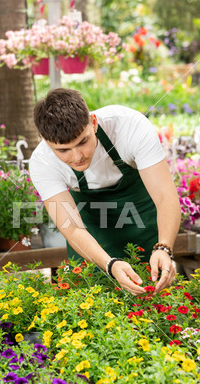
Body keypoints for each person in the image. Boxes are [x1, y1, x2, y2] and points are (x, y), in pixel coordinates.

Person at [29, 88, 181, 296]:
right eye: (63, 150)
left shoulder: (130, 127)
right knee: (92, 305)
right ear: (45, 140)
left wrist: (163, 248)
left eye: (83, 141)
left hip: (143, 222)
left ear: (93, 122)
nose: (77, 157)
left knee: (157, 302)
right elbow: (72, 227)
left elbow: (165, 196)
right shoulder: (42, 162)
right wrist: (109, 264)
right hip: (90, 231)